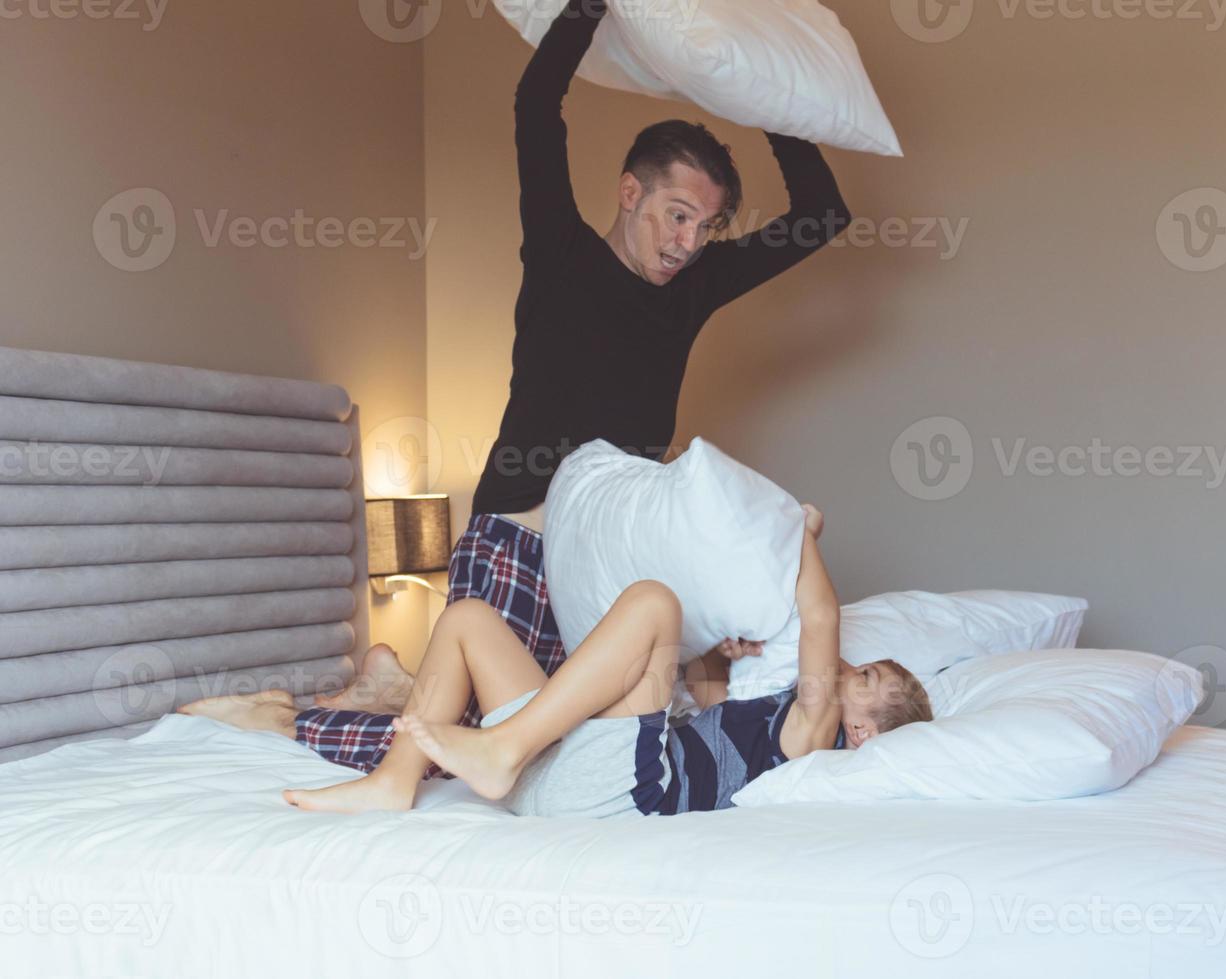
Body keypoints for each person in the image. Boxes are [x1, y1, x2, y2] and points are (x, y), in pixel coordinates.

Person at [292, 0, 853, 766]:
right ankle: (285, 716)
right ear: (631, 193)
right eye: (676, 215)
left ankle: (397, 684)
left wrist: (757, 92)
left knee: (577, 751)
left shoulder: (695, 288)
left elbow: (823, 215)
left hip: (613, 558)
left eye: (704, 227)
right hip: (519, 539)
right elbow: (535, 102)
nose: (687, 244)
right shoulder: (562, 253)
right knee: (480, 749)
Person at [183, 507, 933, 816]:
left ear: (860, 731)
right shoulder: (772, 726)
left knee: (652, 602)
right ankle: (393, 781)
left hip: (623, 792)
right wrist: (717, 657)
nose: (845, 673)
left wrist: (800, 532)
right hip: (581, 765)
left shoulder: (815, 739)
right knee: (470, 619)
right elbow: (699, 701)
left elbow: (822, 616)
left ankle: (503, 750)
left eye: (863, 682)